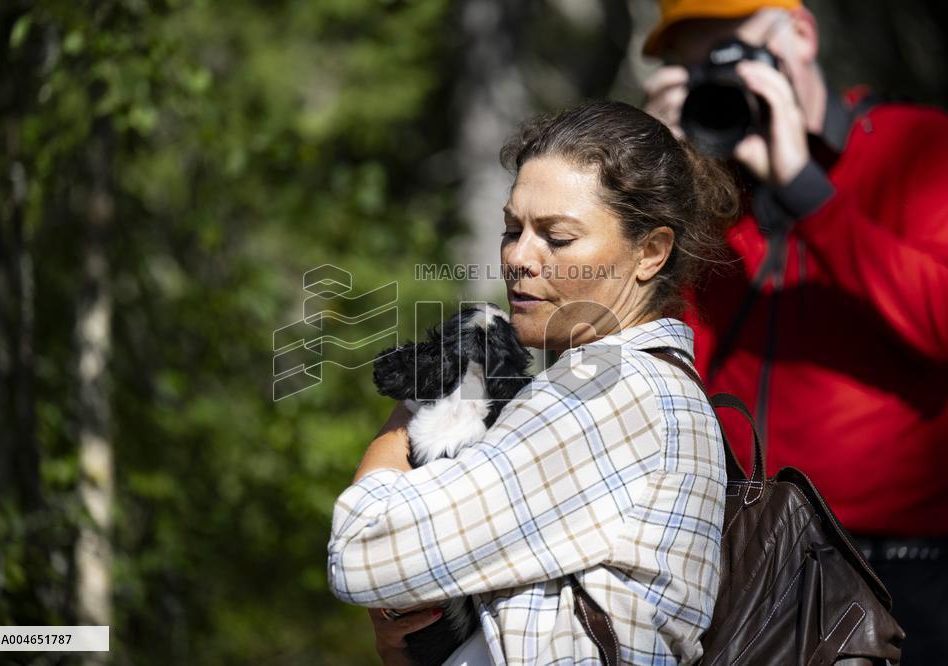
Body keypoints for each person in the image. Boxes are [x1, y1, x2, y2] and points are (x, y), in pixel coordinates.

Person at [327, 100, 739, 665]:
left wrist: (423, 395)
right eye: (511, 228)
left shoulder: (610, 394)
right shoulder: (645, 386)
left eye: (558, 237)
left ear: (650, 251)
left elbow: (361, 550)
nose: (519, 257)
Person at [641, 1, 948, 661]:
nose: (718, 83)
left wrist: (809, 192)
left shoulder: (920, 145)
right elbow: (655, 354)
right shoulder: (712, 195)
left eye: (731, 56)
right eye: (693, 69)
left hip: (911, 572)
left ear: (801, 36)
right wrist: (657, 187)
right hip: (746, 564)